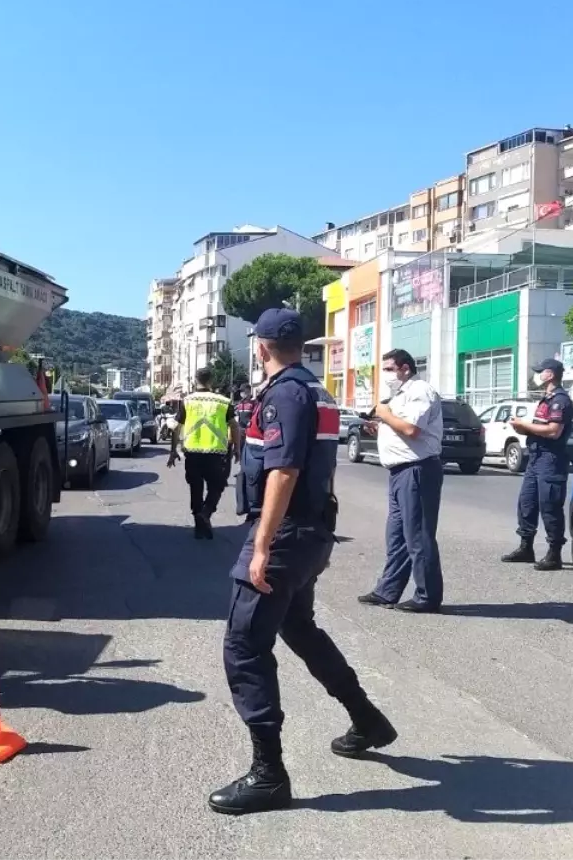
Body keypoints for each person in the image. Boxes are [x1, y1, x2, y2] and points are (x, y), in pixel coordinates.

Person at [210, 308, 396, 816]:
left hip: (288, 532)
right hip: (310, 530)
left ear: (262, 347)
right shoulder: (316, 390)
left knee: (244, 645)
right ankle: (368, 720)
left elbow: (284, 470)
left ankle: (268, 774)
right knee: (301, 630)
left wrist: (264, 546)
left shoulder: (286, 394)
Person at [357, 348, 445, 613]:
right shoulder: (399, 395)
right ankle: (388, 590)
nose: (385, 375)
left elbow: (411, 429)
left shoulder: (420, 390)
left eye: (388, 369)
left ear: (405, 368)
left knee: (417, 535)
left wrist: (383, 414)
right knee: (397, 536)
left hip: (417, 470)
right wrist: (379, 425)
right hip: (399, 472)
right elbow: (400, 427)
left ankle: (427, 596)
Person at [499, 359, 573, 571]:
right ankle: (526, 547)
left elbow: (553, 431)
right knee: (527, 503)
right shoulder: (546, 399)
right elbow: (538, 428)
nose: (537, 375)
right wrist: (521, 427)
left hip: (551, 459)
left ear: (550, 374)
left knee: (549, 505)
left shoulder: (560, 400)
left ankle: (554, 554)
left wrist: (525, 425)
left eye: (540, 371)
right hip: (535, 457)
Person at [168, 367, 240, 539]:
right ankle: (206, 513)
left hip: (192, 452)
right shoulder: (223, 401)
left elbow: (176, 427)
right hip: (216, 453)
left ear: (195, 380)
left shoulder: (188, 400)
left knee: (196, 487)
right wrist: (237, 447)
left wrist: (173, 451)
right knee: (217, 485)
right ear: (211, 381)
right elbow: (235, 425)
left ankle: (199, 525)